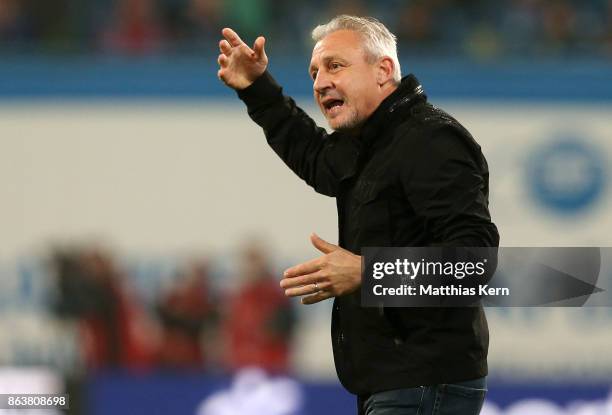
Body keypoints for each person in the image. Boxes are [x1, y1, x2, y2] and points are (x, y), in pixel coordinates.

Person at [217, 15, 499, 415]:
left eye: (336, 66)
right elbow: (316, 157)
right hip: (398, 383)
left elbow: (474, 263)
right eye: (314, 72)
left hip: (425, 383)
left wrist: (368, 272)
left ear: (384, 70)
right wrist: (257, 88)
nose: (319, 82)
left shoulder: (431, 140)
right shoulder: (373, 142)